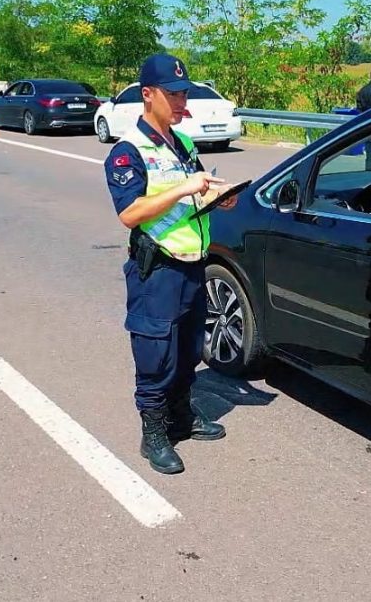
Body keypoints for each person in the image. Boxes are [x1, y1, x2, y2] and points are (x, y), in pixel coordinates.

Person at [103, 53, 237, 475]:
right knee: (155, 350)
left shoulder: (182, 144)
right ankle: (154, 432)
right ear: (148, 94)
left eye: (185, 95)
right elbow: (130, 213)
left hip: (193, 263)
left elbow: (196, 190)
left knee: (188, 348)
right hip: (158, 269)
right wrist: (183, 188)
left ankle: (182, 413)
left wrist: (218, 195)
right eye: (175, 95)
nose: (183, 103)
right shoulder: (129, 151)